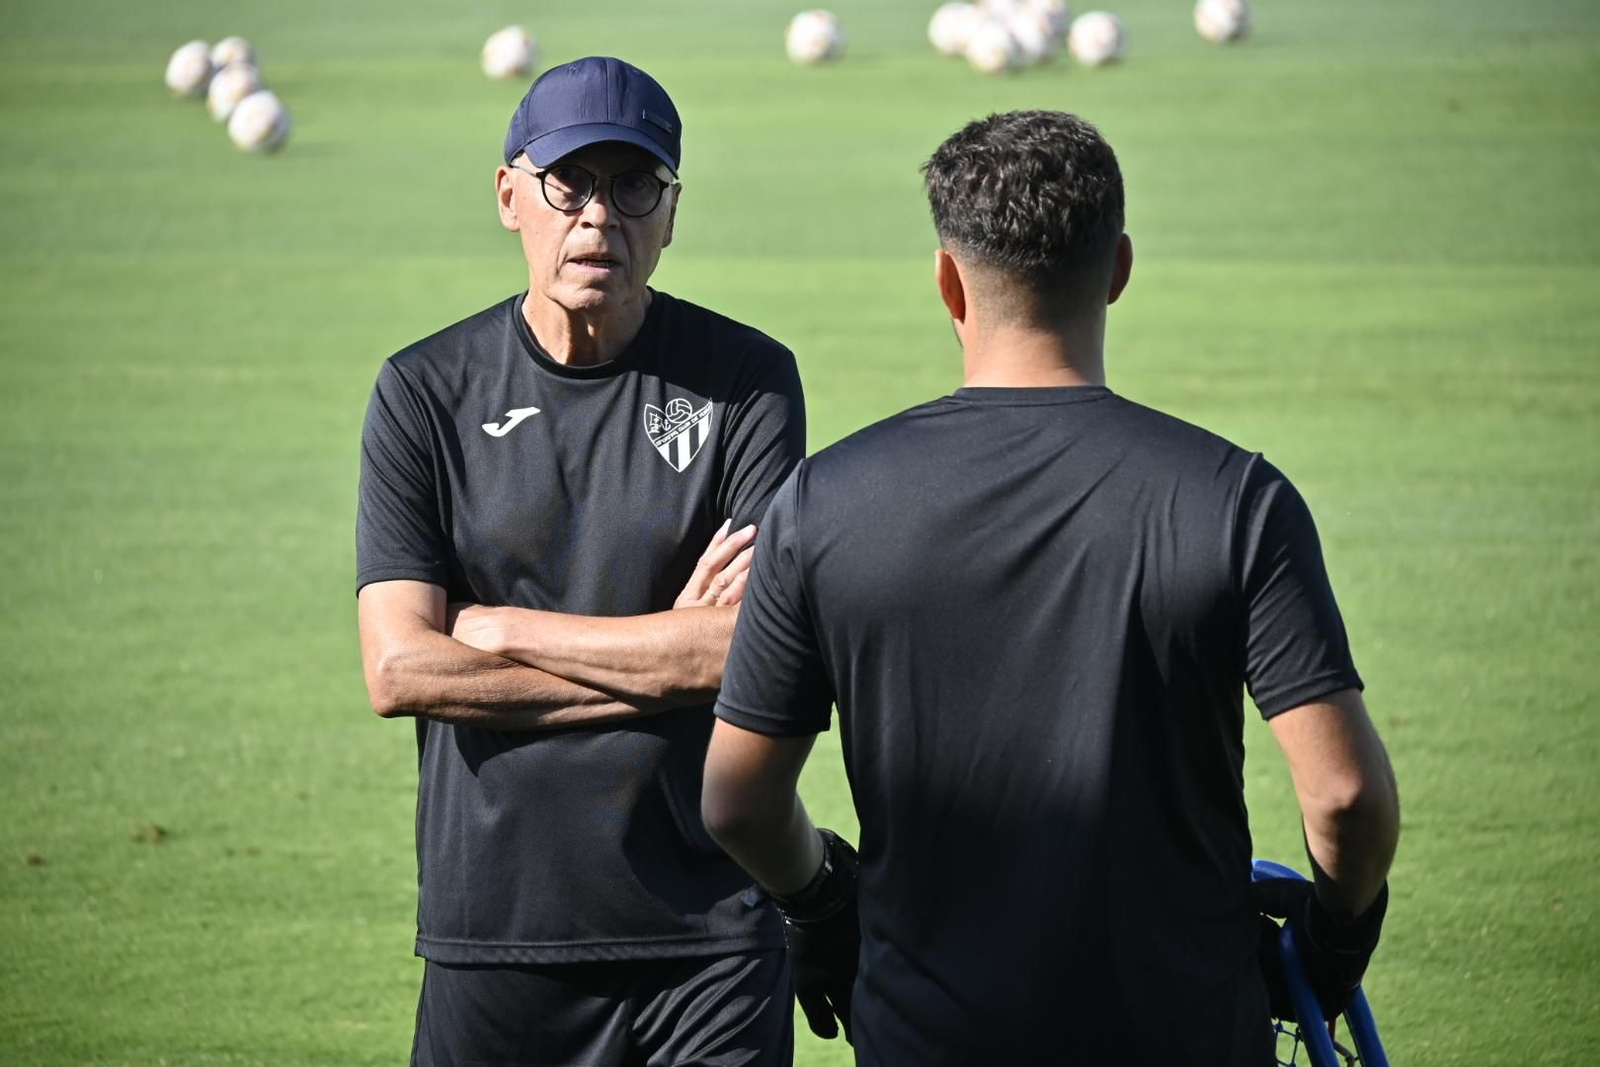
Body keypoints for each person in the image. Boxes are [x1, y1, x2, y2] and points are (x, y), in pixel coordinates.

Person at [700, 110, 1400, 1064]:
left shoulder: (823, 502)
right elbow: (1347, 796)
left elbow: (737, 801)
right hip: (1186, 1034)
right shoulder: (1235, 498)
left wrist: (824, 903)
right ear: (1118, 267)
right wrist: (1334, 941)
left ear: (948, 279)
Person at [356, 56, 805, 1066]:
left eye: (633, 184)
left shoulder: (745, 382)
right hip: (495, 928)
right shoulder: (422, 393)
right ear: (511, 195)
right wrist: (660, 665)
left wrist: (505, 629)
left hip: (713, 935)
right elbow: (399, 671)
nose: (599, 216)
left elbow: (751, 651)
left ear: (673, 210)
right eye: (571, 183)